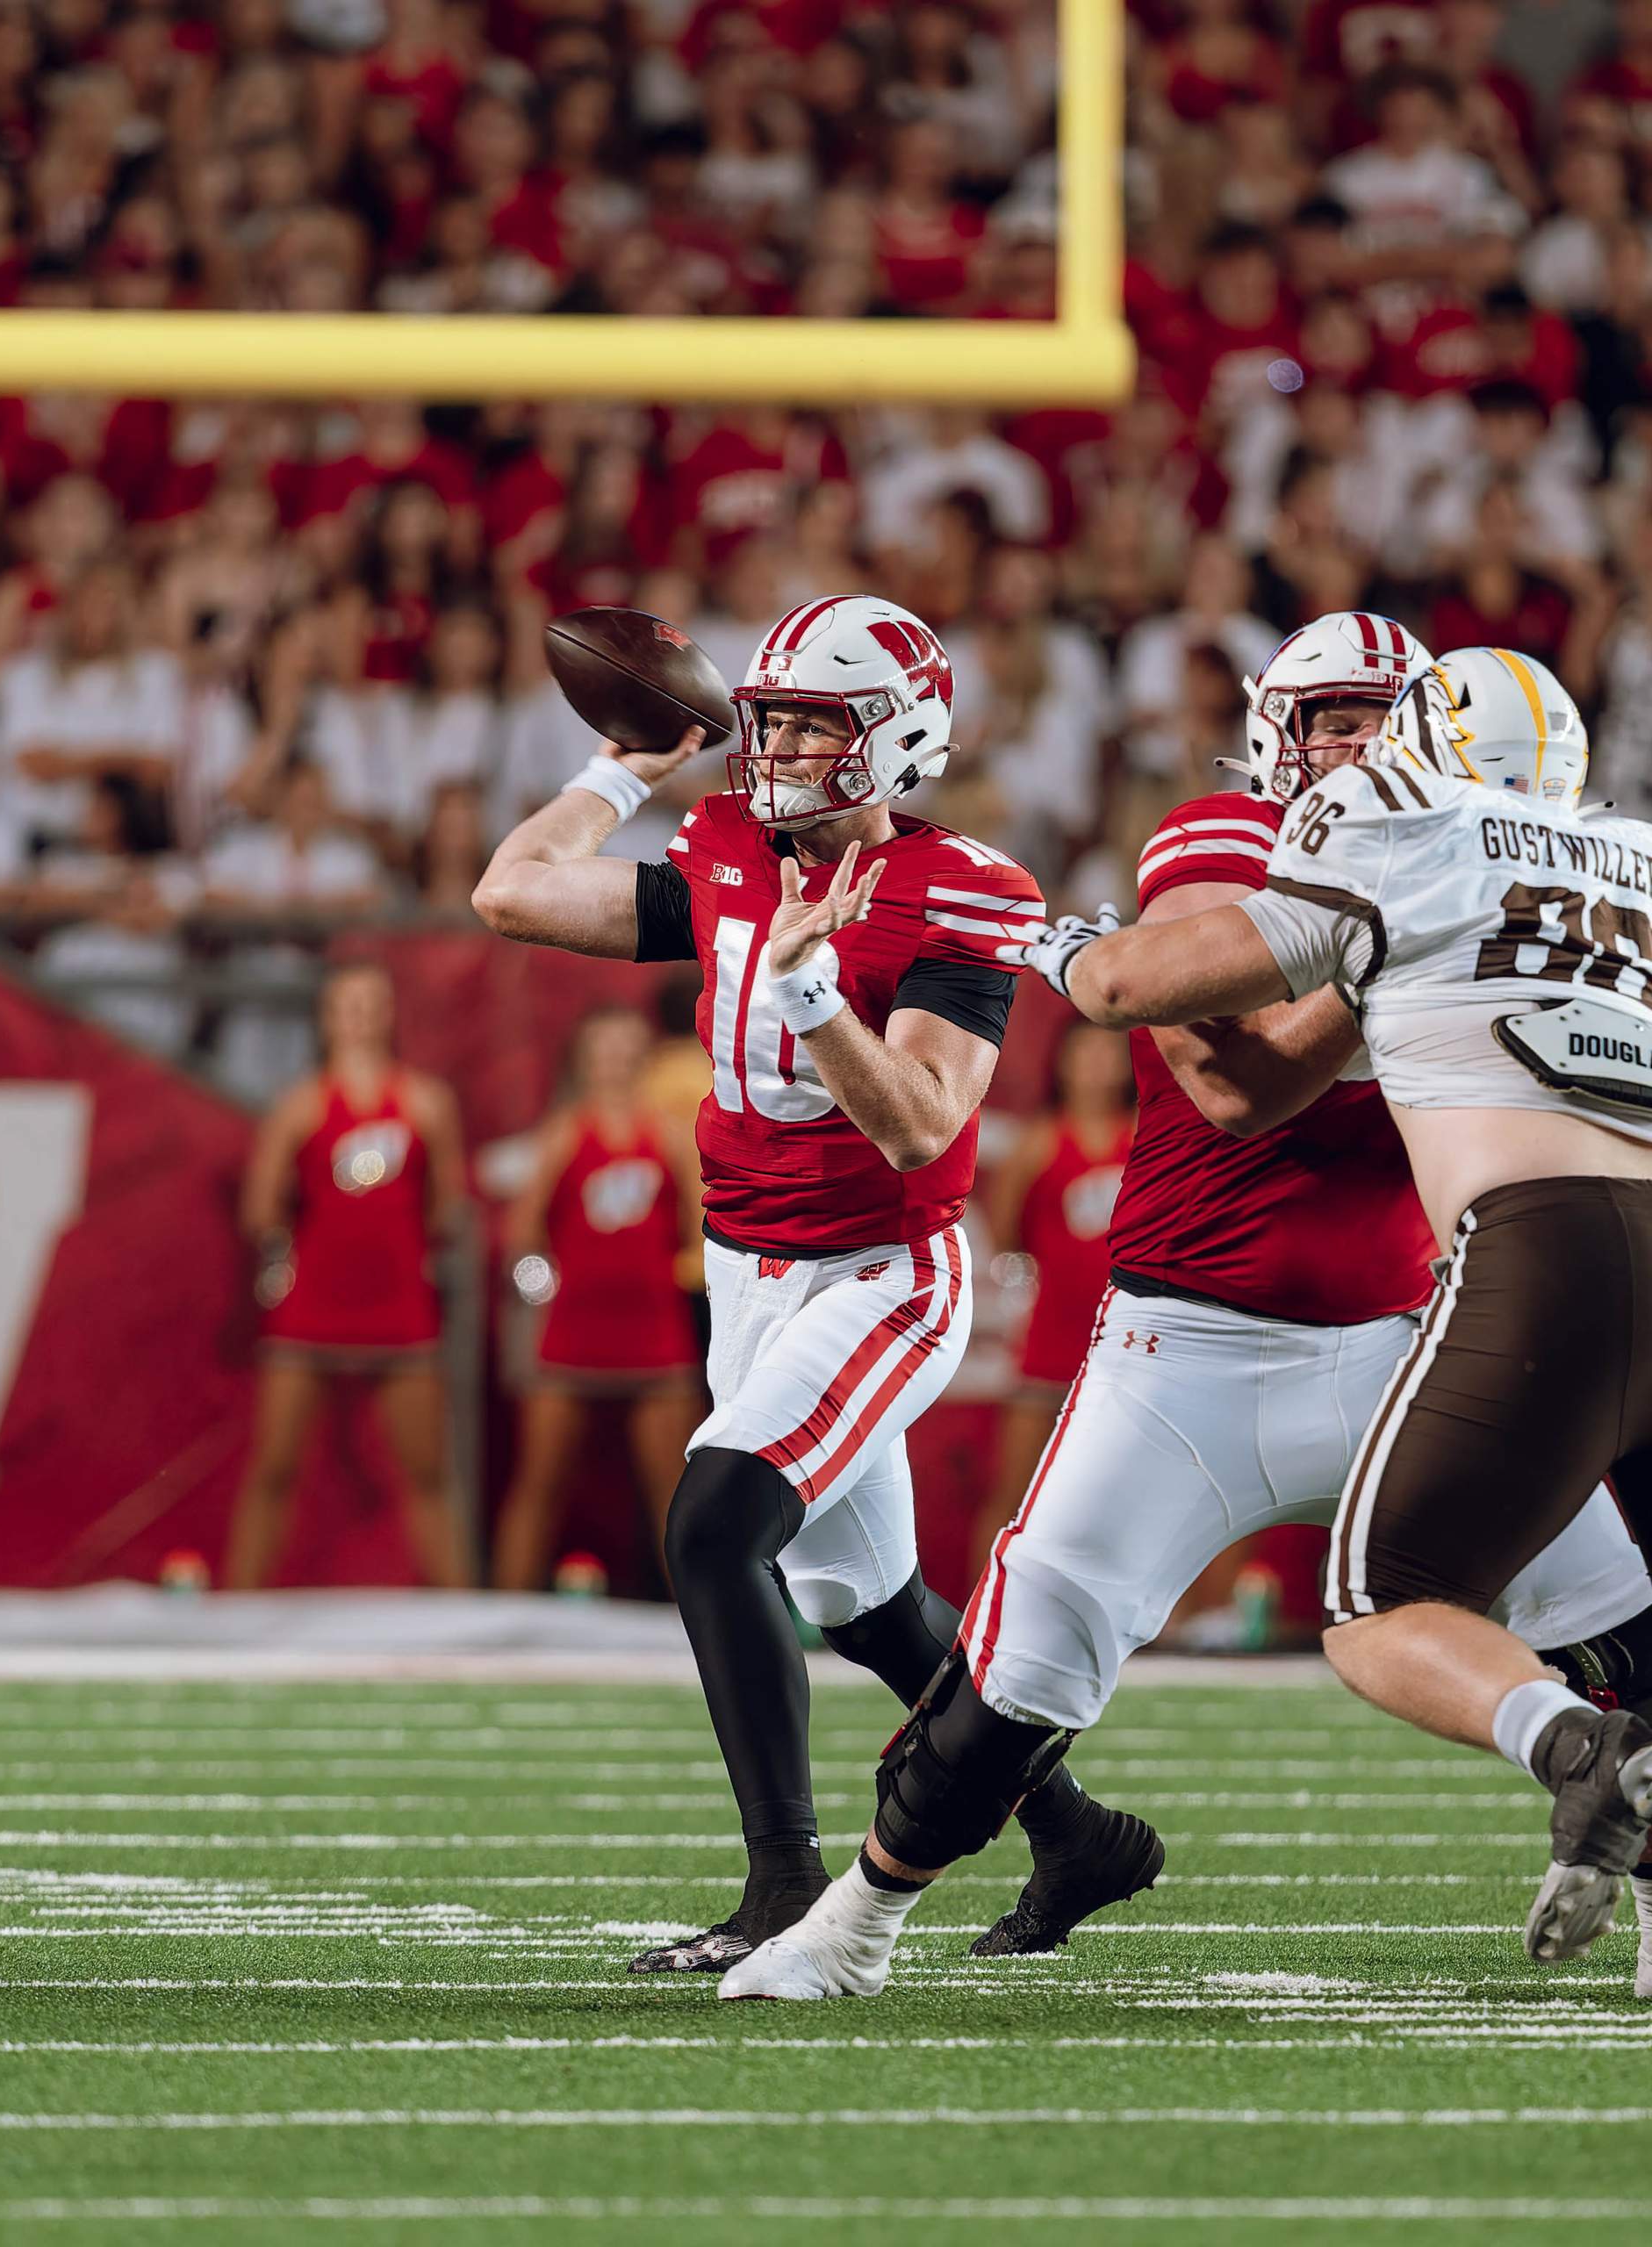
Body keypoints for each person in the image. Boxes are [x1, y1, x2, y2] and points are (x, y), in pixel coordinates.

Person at [717, 624, 1652, 2000]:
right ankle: (852, 1924)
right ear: (1273, 730)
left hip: (1420, 1324)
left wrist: (1376, 941)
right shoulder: (1239, 829)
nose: (1350, 742)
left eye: (1380, 718)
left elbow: (1176, 992)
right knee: (1018, 1668)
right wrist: (1384, 954)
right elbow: (1236, 1090)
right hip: (1193, 1348)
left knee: (1618, 1617)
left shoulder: (1427, 851)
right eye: (1327, 715)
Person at [472, 592, 1157, 1975]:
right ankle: (1074, 1829)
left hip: (882, 1274)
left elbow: (918, 1122)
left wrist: (808, 993)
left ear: (894, 740)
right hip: (746, 1272)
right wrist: (621, 769)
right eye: (768, 713)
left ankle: (785, 1884)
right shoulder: (727, 844)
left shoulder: (968, 887)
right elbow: (513, 889)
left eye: (807, 721)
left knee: (716, 1529)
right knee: (866, 1606)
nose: (772, 743)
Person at [224, 960, 471, 1591]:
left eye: (372, 1003)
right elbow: (259, 1209)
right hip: (312, 1306)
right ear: (327, 1017)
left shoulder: (427, 1102)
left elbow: (449, 1205)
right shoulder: (300, 1106)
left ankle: (460, 1612)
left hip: (399, 1308)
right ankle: (236, 1612)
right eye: (348, 1004)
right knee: (273, 1468)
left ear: (390, 1014)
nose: (360, 1016)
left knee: (428, 1474)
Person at [492, 1007, 704, 1592]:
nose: (615, 1060)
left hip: (654, 1333)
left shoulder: (670, 1135)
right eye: (602, 1047)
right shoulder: (565, 1133)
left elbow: (700, 1232)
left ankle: (700, 1624)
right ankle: (503, 1614)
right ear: (582, 1060)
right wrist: (548, 1291)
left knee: (673, 1490)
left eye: (625, 1046)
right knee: (540, 1483)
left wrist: (680, 1285)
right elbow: (523, 1233)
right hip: (573, 1332)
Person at [972, 1019, 1132, 1571]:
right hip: (1052, 1338)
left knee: (1120, 1497)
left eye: (1108, 1054)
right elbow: (1005, 1233)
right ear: (1061, 1064)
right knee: (1014, 1492)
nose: (1096, 1066)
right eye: (1084, 1054)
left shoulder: (1143, 1137)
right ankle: (978, 1614)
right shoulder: (1038, 1143)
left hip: (1127, 1346)